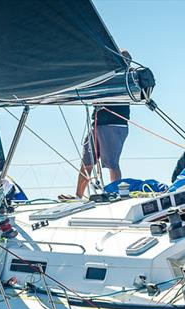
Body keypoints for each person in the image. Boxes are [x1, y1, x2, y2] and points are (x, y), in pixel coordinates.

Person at [73, 50, 133, 198]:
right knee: (87, 160)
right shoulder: (105, 75)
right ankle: (77, 197)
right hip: (98, 123)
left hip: (115, 123)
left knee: (111, 162)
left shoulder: (127, 76)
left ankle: (117, 194)